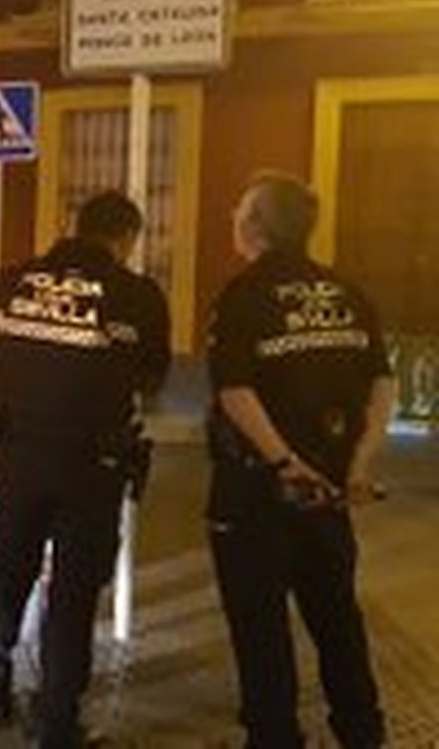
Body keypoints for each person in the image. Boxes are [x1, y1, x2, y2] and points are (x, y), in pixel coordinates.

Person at [0, 190, 171, 746]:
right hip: (92, 463)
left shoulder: (14, 281)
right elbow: (152, 380)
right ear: (125, 238)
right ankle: (56, 723)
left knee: (6, 575)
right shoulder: (138, 295)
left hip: (17, 454)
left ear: (78, 227)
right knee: (74, 594)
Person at [207, 172, 393, 748]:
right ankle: (362, 733)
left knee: (260, 628)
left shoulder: (243, 295)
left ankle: (275, 737)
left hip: (256, 493)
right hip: (330, 493)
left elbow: (234, 391)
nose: (233, 219)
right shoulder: (347, 292)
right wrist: (361, 462)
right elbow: (382, 382)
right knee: (338, 620)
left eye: (240, 211)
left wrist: (284, 461)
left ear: (256, 226)